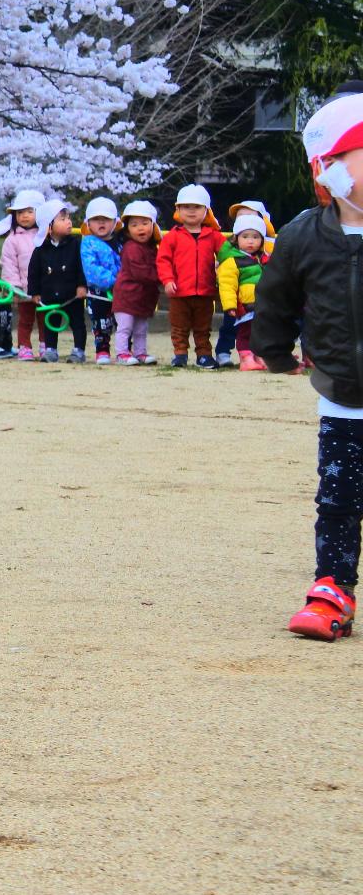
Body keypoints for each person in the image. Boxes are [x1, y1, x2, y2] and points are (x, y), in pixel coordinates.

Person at [252, 93, 363, 639]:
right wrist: (273, 349)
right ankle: (333, 588)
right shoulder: (302, 234)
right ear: (329, 170)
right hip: (343, 395)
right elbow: (275, 296)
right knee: (338, 499)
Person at [158, 183, 224, 368]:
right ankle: (180, 354)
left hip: (205, 292)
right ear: (178, 209)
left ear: (206, 211)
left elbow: (227, 257)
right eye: (186, 207)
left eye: (197, 207)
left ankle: (204, 355)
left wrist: (222, 269)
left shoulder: (214, 236)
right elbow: (163, 261)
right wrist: (168, 280)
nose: (191, 211)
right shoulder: (172, 236)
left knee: (203, 327)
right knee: (179, 326)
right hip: (179, 292)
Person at [27, 199, 88, 362]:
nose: (68, 222)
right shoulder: (40, 249)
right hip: (49, 295)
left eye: (68, 218)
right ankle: (50, 349)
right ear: (49, 226)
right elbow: (33, 272)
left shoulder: (76, 245)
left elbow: (82, 266)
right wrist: (34, 292)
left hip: (72, 295)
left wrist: (82, 285)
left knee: (77, 323)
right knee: (50, 324)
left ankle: (79, 350)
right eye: (62, 219)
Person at [0, 188, 44, 360]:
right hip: (24, 289)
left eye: (30, 211)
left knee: (45, 319)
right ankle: (24, 346)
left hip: (44, 289)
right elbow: (9, 265)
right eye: (20, 212)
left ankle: (46, 346)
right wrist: (14, 287)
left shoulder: (46, 237)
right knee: (25, 320)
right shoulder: (12, 239)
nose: (24, 216)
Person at [218, 212, 270, 371]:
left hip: (263, 306)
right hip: (244, 306)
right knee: (245, 333)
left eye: (255, 237)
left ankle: (258, 355)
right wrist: (230, 305)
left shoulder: (264, 259)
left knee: (261, 332)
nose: (250, 241)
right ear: (236, 238)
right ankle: (246, 358)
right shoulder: (233, 261)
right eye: (245, 236)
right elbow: (227, 284)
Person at [112, 200, 161, 365]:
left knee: (141, 329)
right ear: (127, 230)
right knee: (125, 327)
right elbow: (140, 272)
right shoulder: (131, 247)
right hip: (127, 295)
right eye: (134, 225)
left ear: (153, 226)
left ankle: (140, 352)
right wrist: (161, 277)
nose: (140, 228)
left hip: (142, 297)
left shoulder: (152, 248)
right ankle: (122, 353)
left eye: (145, 223)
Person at [80, 196, 121, 364]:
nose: (101, 223)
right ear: (88, 223)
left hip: (122, 290)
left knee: (123, 321)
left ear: (115, 222)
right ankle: (102, 350)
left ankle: (124, 349)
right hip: (98, 291)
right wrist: (114, 280)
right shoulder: (88, 243)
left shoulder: (121, 242)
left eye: (106, 219)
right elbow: (91, 268)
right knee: (101, 322)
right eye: (96, 220)